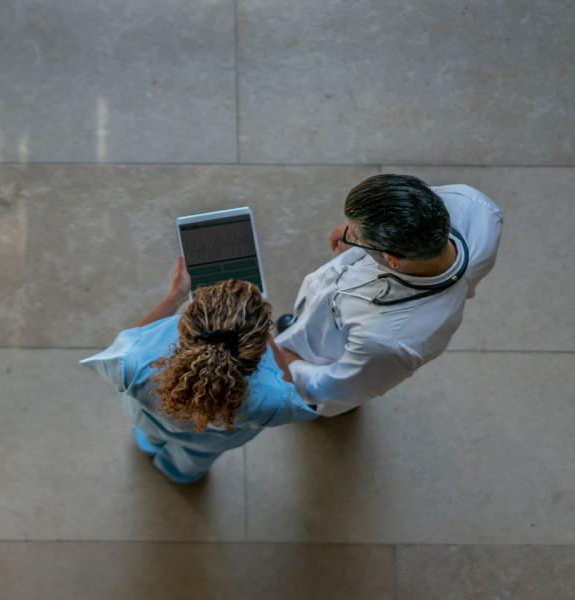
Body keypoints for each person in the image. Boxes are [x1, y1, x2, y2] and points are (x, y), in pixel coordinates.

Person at [275, 173, 503, 417]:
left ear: (392, 260)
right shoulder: (475, 206)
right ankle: (300, 326)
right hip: (336, 310)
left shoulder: (385, 342)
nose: (346, 234)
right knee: (309, 318)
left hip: (333, 354)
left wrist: (290, 363)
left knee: (325, 381)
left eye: (355, 236)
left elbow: (335, 387)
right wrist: (359, 230)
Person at [80, 258, 317, 483]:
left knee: (150, 435)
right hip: (209, 444)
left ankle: (149, 445)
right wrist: (268, 340)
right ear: (256, 349)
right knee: (192, 461)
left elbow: (128, 343)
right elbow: (291, 397)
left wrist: (175, 296)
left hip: (150, 421)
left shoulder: (135, 362)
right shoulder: (272, 399)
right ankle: (178, 474)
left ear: (185, 325)